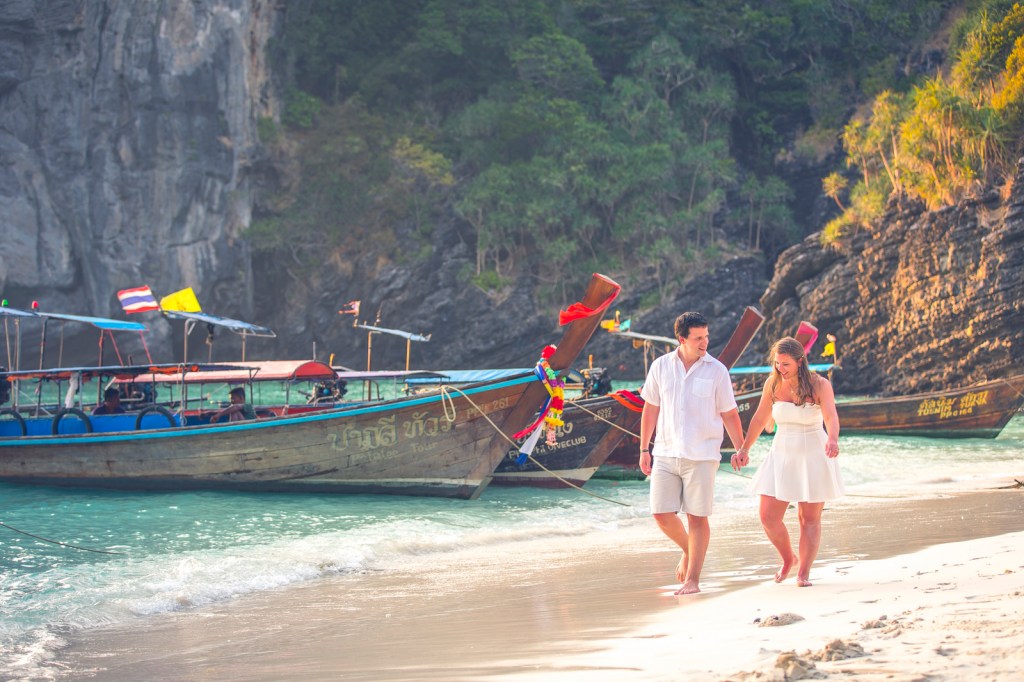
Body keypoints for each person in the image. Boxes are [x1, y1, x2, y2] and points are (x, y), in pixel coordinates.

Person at [639, 312, 745, 595]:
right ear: (681, 339)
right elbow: (650, 408)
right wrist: (644, 448)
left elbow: (729, 413)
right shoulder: (661, 367)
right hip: (665, 452)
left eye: (706, 336)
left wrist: (741, 447)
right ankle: (689, 549)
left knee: (697, 518)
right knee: (661, 513)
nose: (704, 343)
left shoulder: (717, 371)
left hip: (702, 455)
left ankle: (693, 580)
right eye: (698, 338)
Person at [735, 336, 842, 587]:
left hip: (813, 453)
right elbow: (759, 419)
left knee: (809, 518)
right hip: (780, 454)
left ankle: (803, 572)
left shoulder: (819, 385)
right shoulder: (773, 383)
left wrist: (833, 439)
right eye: (777, 363)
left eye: (786, 364)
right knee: (767, 516)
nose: (780, 369)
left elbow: (831, 416)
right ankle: (788, 559)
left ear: (800, 361)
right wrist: (744, 448)